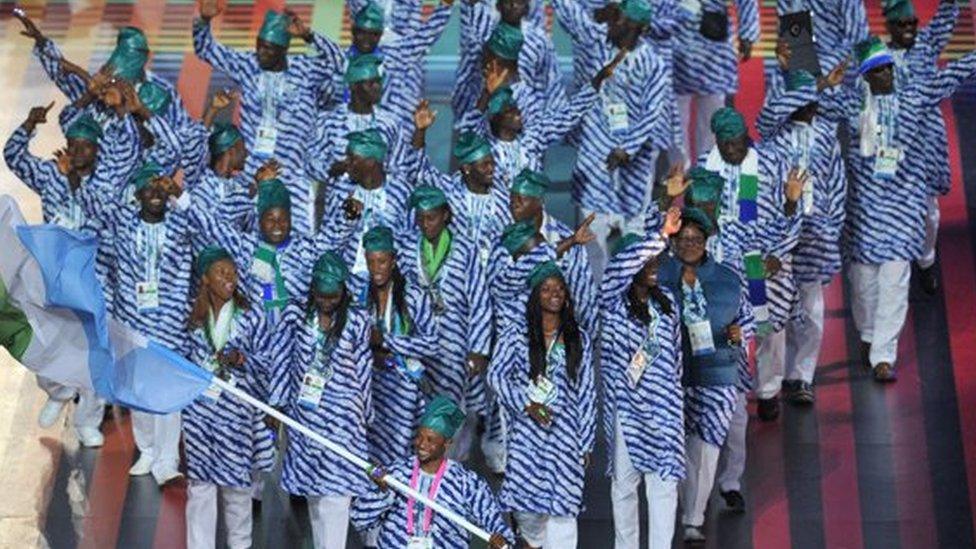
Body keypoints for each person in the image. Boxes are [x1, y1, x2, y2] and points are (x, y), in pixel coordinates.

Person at [828, 35, 976, 381]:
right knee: (863, 284)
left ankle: (884, 356)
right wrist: (819, 78)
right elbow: (808, 99)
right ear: (866, 76)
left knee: (894, 282)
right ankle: (867, 335)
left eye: (888, 69)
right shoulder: (852, 108)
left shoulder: (912, 100)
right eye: (877, 71)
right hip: (864, 213)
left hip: (903, 209)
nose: (886, 75)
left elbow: (950, 75)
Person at [76, 160, 198, 485]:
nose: (155, 194)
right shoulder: (123, 224)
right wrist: (80, 176)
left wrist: (180, 194)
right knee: (138, 392)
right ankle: (147, 450)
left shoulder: (181, 225)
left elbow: (205, 224)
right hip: (133, 323)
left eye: (160, 189)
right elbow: (96, 209)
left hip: (172, 326)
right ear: (138, 194)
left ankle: (168, 459)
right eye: (149, 189)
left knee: (169, 396)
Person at [3, 106, 110, 447]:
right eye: (73, 144)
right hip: (51, 276)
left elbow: (106, 219)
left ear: (98, 149)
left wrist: (76, 184)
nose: (78, 151)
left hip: (95, 278)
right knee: (43, 336)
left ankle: (87, 421)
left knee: (94, 352)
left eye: (86, 145)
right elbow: (13, 156)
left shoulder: (106, 183)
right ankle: (58, 391)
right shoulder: (52, 175)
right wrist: (30, 124)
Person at [194, 1, 343, 235]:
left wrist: (308, 35)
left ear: (283, 49)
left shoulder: (304, 70)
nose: (261, 52)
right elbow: (205, 49)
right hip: (252, 178)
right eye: (259, 45)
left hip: (291, 177)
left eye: (269, 48)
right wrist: (203, 21)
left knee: (297, 248)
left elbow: (342, 65)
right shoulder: (248, 65)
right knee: (249, 249)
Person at [553, 0, 673, 279]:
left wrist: (627, 148)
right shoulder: (595, 40)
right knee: (592, 230)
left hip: (635, 160)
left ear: (640, 28)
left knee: (635, 228)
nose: (615, 25)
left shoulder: (652, 64)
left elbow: (652, 112)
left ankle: (630, 289)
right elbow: (570, 14)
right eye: (616, 18)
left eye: (623, 22)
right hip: (594, 150)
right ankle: (596, 293)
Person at [656, 208, 753, 544]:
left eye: (696, 239)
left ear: (708, 240)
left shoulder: (728, 278)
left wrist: (743, 331)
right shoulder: (657, 275)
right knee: (678, 447)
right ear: (672, 240)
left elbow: (749, 319)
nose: (689, 244)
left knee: (707, 448)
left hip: (717, 374)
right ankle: (685, 507)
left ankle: (694, 516)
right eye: (683, 239)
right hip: (671, 376)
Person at [489, 260, 596, 548]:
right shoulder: (516, 334)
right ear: (535, 295)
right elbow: (495, 376)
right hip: (527, 433)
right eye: (547, 289)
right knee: (527, 509)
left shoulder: (578, 338)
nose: (555, 294)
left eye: (560, 288)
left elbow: (586, 392)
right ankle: (534, 541)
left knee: (564, 508)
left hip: (566, 434)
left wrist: (585, 442)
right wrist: (525, 403)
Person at [756, 70, 847, 406]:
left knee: (810, 309)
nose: (809, 107)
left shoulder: (826, 137)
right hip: (777, 239)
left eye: (812, 102)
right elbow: (765, 117)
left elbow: (837, 185)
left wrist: (832, 225)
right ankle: (768, 386)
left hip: (813, 236)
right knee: (772, 317)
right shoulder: (771, 139)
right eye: (802, 101)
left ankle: (802, 376)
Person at [182, 246, 281, 549]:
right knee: (200, 489)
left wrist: (243, 359)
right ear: (205, 280)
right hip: (198, 416)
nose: (229, 277)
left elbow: (269, 362)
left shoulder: (251, 317)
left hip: (236, 416)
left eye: (233, 271)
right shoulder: (192, 318)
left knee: (237, 490)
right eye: (220, 271)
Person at [273, 252, 373, 549]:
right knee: (315, 496)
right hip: (307, 420)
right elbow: (282, 360)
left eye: (334, 296)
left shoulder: (356, 320)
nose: (327, 302)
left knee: (337, 497)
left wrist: (366, 414)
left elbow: (364, 368)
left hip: (344, 420)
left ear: (343, 292)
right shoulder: (297, 317)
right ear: (312, 290)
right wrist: (277, 405)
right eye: (321, 295)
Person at [599, 208, 684, 549]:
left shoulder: (669, 306)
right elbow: (619, 268)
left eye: (656, 261)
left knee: (663, 487)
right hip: (626, 412)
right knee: (624, 488)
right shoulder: (611, 303)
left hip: (663, 413)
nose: (653, 267)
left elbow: (677, 359)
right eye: (645, 262)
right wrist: (660, 236)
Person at [398, 186, 492, 459]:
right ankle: (421, 467)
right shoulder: (407, 247)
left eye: (432, 217)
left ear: (446, 215)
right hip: (420, 342)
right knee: (419, 402)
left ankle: (452, 468)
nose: (426, 223)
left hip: (456, 343)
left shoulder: (465, 249)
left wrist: (479, 349)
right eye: (421, 217)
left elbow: (479, 300)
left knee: (453, 406)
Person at [351, 396, 513, 549]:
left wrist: (501, 540)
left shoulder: (466, 483)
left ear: (447, 443)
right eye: (419, 437)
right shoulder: (396, 474)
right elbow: (359, 519)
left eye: (430, 440)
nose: (421, 444)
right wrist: (382, 491)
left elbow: (497, 526)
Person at [885, 0, 961, 294]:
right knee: (892, 211)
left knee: (930, 213)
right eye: (901, 24)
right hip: (894, 145)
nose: (908, 29)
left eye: (912, 23)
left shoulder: (927, 45)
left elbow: (947, 15)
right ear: (890, 25)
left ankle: (926, 261)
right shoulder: (879, 58)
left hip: (927, 145)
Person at [462, 51, 623, 187]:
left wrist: (598, 79)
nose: (518, 113)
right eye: (510, 111)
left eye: (516, 108)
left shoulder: (533, 137)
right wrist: (486, 94)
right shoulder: (484, 146)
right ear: (496, 118)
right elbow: (468, 132)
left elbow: (570, 113)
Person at [359, 226, 440, 466]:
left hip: (403, 387)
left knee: (399, 451)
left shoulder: (414, 296)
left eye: (382, 262)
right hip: (367, 384)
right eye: (371, 262)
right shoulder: (357, 293)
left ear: (393, 260)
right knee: (368, 450)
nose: (376, 269)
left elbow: (432, 344)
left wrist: (386, 341)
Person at [318, 129, 420, 292]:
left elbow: (411, 243)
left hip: (389, 286)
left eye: (353, 159)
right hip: (348, 284)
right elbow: (325, 244)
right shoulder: (340, 191)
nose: (347, 163)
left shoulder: (401, 192)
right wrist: (348, 220)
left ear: (371, 161)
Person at [322, 0, 453, 122]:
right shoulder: (343, 60)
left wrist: (445, 7)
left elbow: (424, 37)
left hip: (403, 61)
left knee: (400, 119)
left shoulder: (401, 53)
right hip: (365, 56)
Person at [506, 169, 599, 337]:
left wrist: (587, 341)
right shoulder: (502, 237)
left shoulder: (564, 236)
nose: (515, 204)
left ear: (540, 201)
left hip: (555, 338)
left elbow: (583, 294)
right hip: (513, 337)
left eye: (522, 198)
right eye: (512, 199)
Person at [454, 0, 565, 132]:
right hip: (483, 121)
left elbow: (551, 82)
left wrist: (543, 122)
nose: (514, 6)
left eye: (519, 2)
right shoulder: (484, 33)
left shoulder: (538, 40)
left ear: (526, 8)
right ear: (498, 6)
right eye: (508, 2)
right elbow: (466, 79)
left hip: (526, 122)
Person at [412, 125, 511, 269]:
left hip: (491, 277)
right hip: (453, 275)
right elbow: (420, 170)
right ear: (467, 169)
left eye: (492, 163)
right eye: (484, 165)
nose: (491, 169)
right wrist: (420, 131)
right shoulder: (449, 191)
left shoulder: (503, 200)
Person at [672, 0, 758, 165]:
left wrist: (748, 34)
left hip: (714, 45)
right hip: (677, 35)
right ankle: (677, 169)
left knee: (712, 113)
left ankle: (707, 169)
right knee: (675, 115)